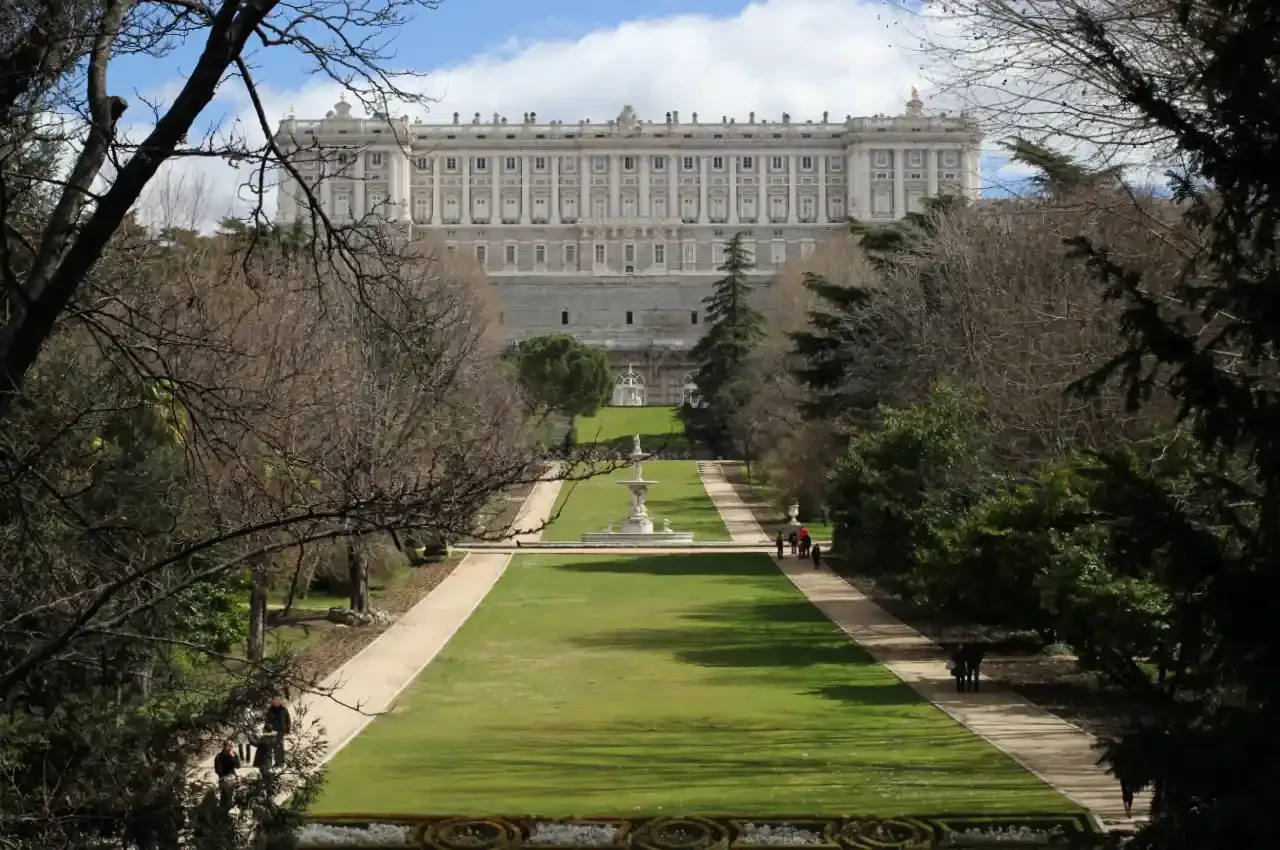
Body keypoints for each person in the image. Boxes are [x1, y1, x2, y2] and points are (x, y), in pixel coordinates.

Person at [213, 740, 240, 809]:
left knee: (223, 797)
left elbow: (216, 770)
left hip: (222, 779)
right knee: (229, 798)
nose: (232, 748)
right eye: (231, 746)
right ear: (227, 747)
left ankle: (221, 811)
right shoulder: (229, 756)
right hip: (230, 779)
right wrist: (236, 756)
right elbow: (238, 766)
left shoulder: (218, 756)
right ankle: (227, 811)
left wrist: (221, 776)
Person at [265, 696, 291, 763]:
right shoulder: (270, 710)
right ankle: (277, 760)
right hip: (273, 730)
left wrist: (288, 728)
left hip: (281, 730)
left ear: (279, 702)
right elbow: (267, 721)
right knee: (275, 745)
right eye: (274, 701)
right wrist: (267, 732)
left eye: (277, 701)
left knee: (280, 744)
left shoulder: (283, 709)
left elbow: (288, 719)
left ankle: (281, 760)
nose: (275, 702)